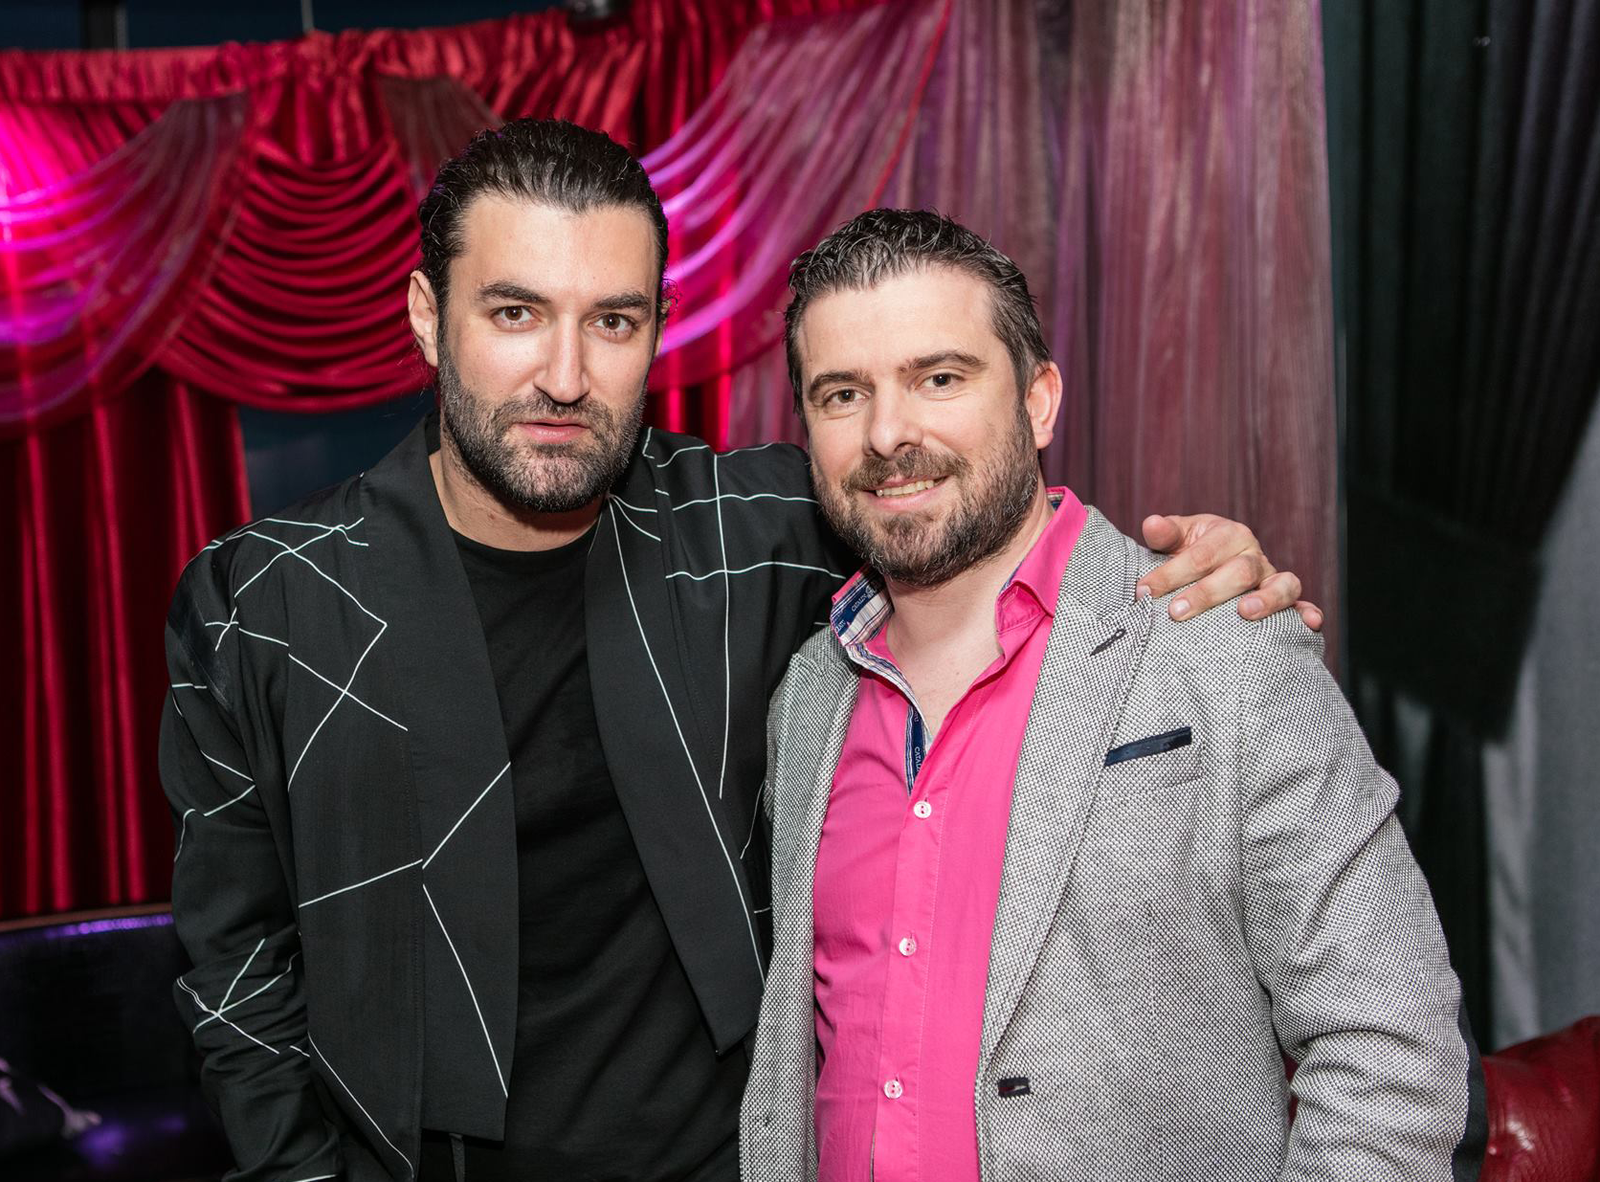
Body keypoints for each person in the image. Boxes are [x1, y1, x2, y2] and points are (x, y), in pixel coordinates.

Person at [160, 121, 1320, 1182]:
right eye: (515, 314)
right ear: (427, 315)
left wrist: (1178, 570)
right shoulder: (262, 606)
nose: (564, 375)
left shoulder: (760, 531)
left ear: (657, 330)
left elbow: (974, 517)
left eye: (612, 321)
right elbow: (237, 980)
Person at [740, 209, 1486, 1182]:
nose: (888, 433)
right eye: (843, 394)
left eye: (939, 378)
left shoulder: (1219, 648)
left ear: (1039, 400)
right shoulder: (807, 698)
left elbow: (1393, 1048)